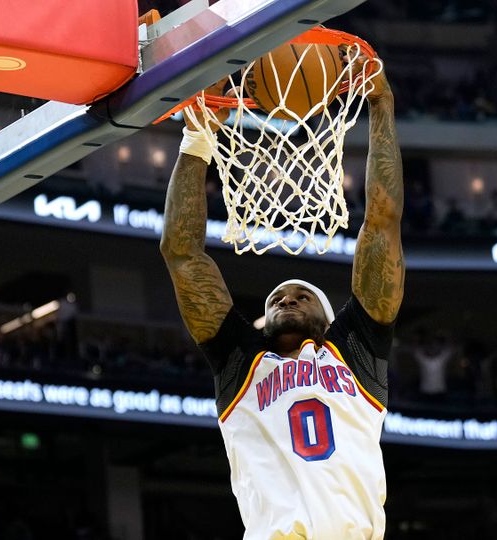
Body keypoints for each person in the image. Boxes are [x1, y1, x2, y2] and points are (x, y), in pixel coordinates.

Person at [160, 55, 404, 539]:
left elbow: (381, 220)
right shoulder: (240, 364)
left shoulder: (356, 353)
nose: (286, 301)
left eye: (300, 296)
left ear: (332, 318)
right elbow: (182, 254)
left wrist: (381, 103)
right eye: (277, 298)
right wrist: (198, 138)